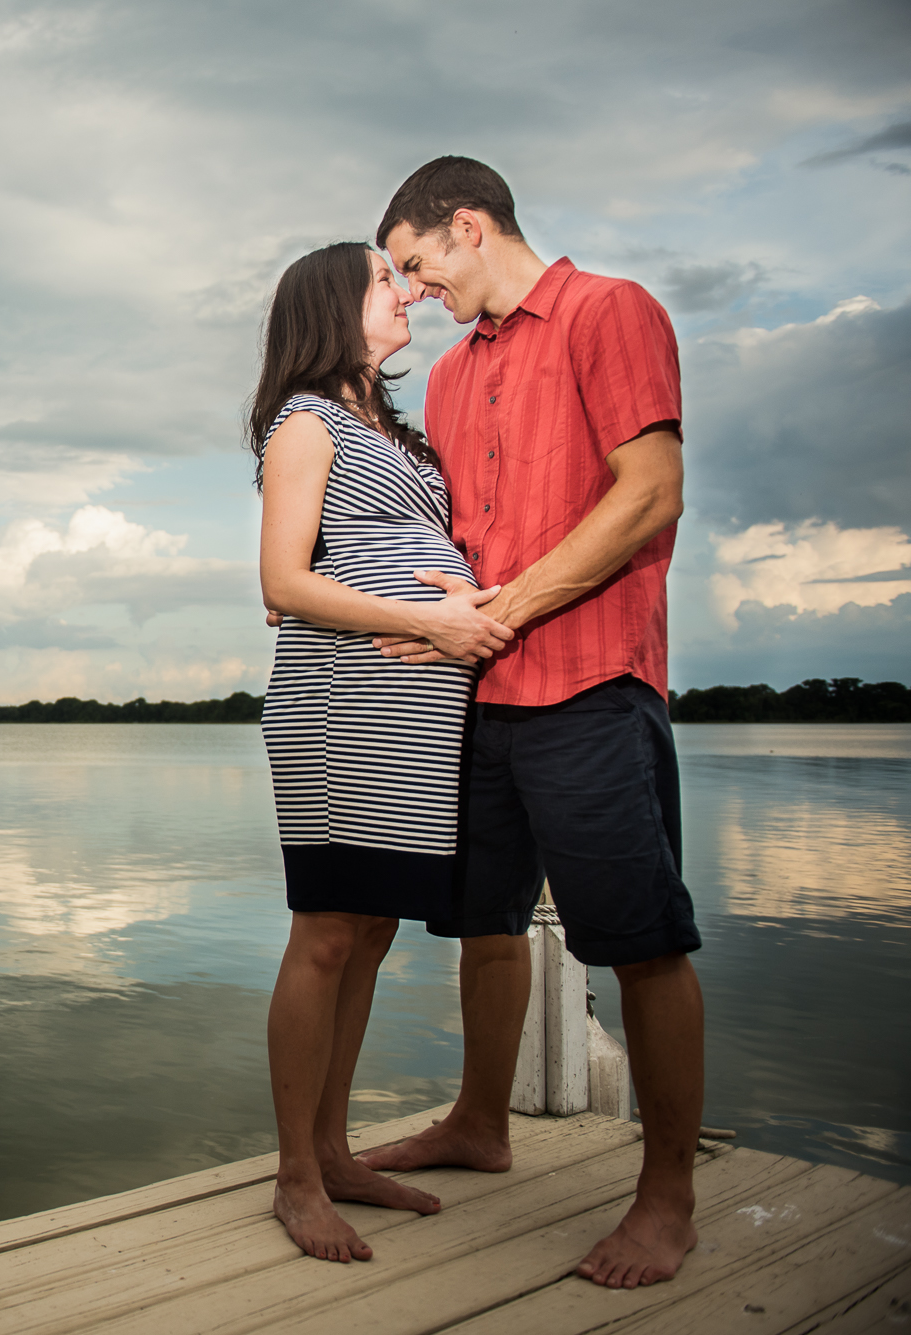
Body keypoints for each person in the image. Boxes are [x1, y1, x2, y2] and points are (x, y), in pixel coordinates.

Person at [355, 156, 704, 1291]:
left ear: (466, 227)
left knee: (642, 940)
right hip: (479, 695)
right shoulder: (450, 378)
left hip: (592, 682)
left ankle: (665, 1197)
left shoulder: (612, 310)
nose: (408, 292)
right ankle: (476, 1121)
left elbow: (647, 493)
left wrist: (501, 609)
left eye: (413, 265)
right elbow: (452, 544)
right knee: (481, 923)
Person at [249, 241, 513, 1263]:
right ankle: (293, 1176)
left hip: (412, 718)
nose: (401, 293)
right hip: (338, 707)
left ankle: (334, 1149)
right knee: (323, 934)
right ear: (328, 308)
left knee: (369, 933)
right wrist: (431, 625)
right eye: (379, 281)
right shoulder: (305, 423)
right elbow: (281, 581)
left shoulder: (393, 434)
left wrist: (458, 608)